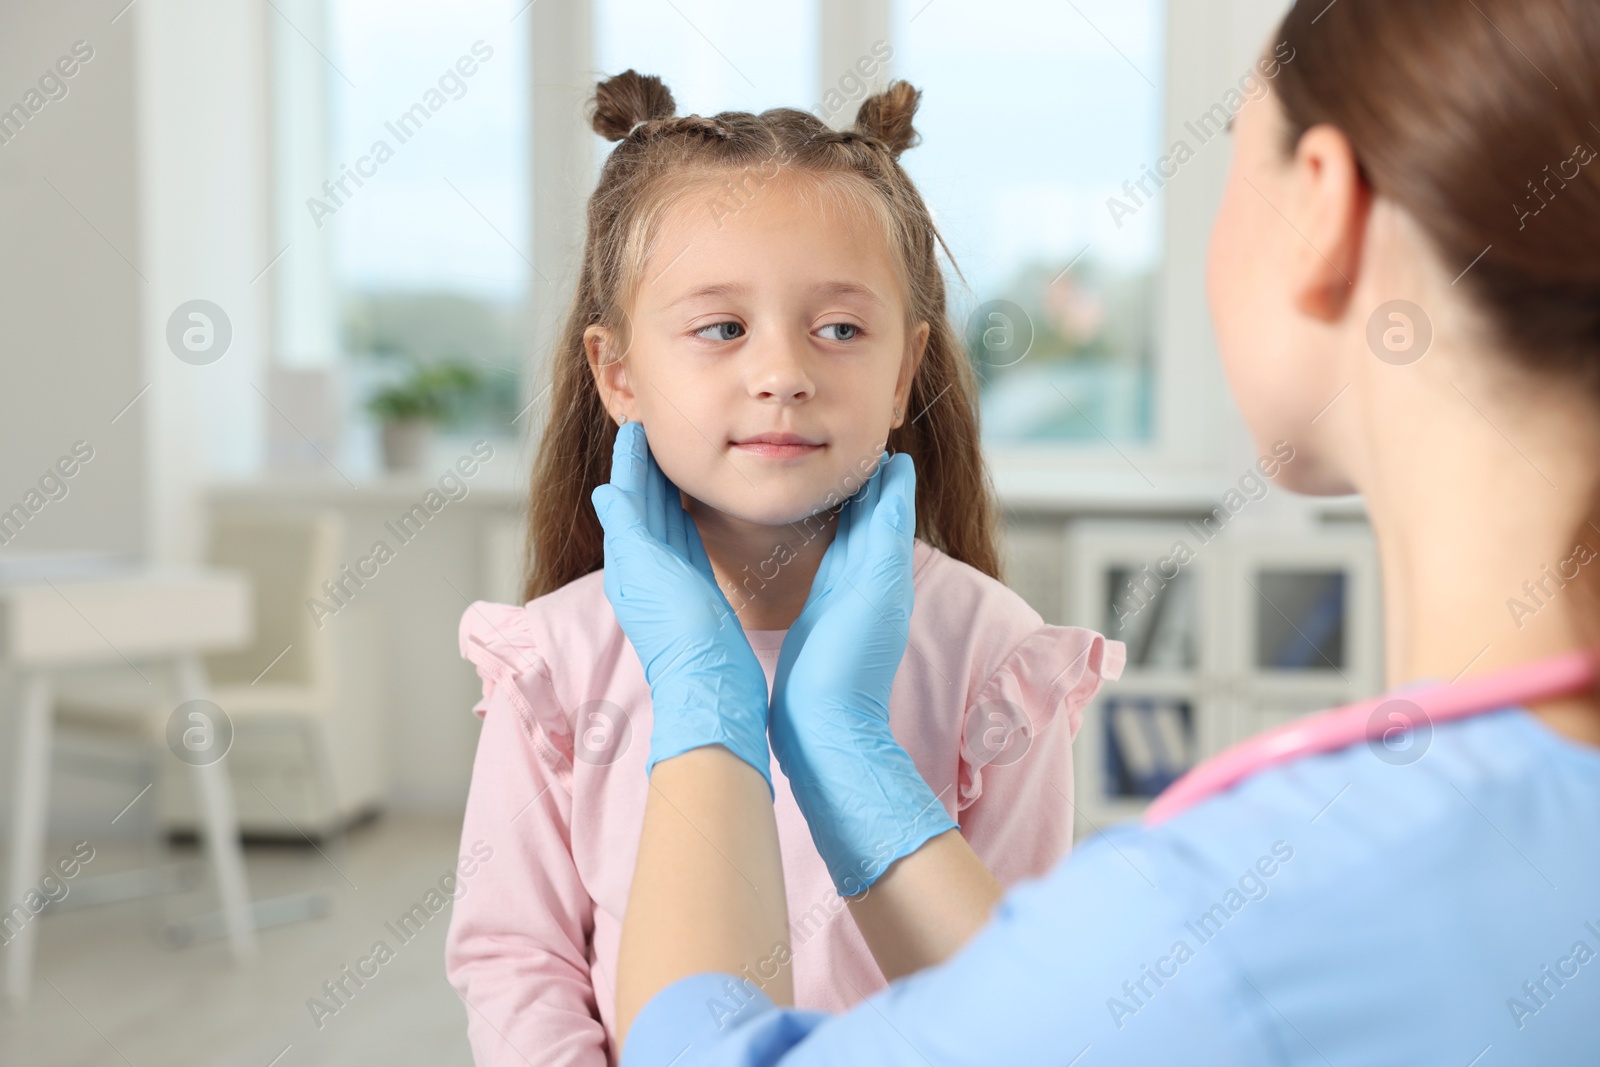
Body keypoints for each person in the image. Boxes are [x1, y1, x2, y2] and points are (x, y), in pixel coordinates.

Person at [603, 0, 1600, 1062]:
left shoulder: (1230, 930)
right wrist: (851, 763)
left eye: (1231, 158)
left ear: (1324, 208)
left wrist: (710, 708)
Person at [444, 70, 1125, 1065]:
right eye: (720, 327)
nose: (782, 373)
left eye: (841, 329)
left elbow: (1015, 990)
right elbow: (517, 957)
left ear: (904, 371)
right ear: (617, 373)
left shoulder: (993, 655)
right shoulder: (554, 657)